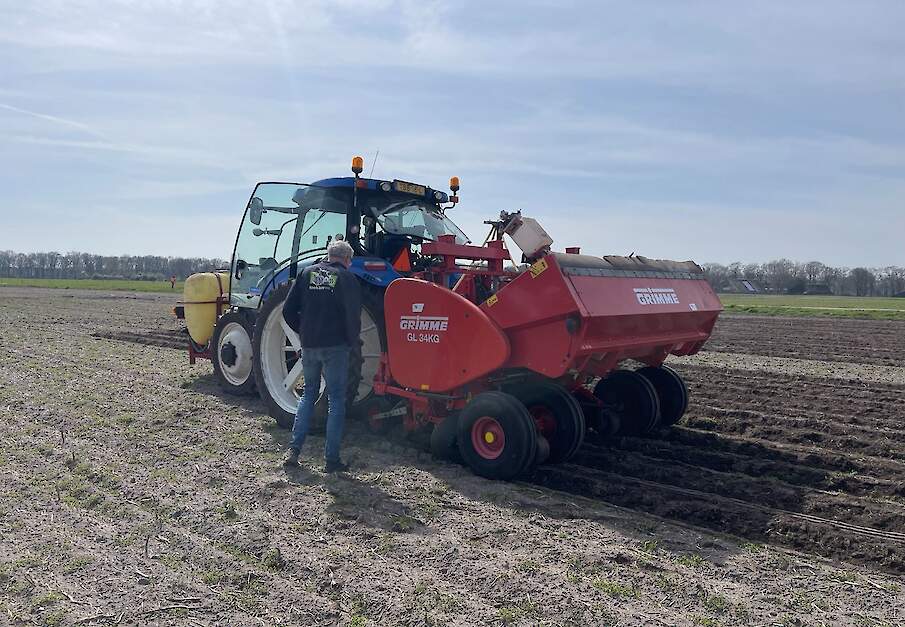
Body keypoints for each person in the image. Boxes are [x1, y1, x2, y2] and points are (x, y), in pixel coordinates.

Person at [282, 240, 361, 472]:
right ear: (347, 259)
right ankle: (331, 460)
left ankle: (294, 451)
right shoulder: (348, 279)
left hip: (310, 346)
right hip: (336, 347)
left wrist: (304, 333)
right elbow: (353, 317)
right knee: (336, 400)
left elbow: (288, 310)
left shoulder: (306, 274)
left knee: (308, 395)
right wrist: (351, 342)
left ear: (328, 255)